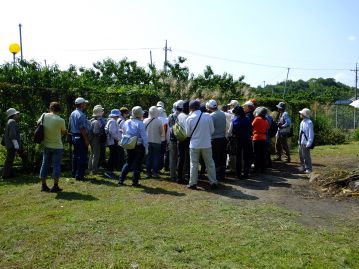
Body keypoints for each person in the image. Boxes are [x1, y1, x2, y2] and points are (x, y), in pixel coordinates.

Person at [186, 100, 218, 190]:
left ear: (191, 108)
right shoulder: (207, 116)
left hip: (194, 145)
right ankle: (213, 182)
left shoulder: (189, 118)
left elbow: (188, 134)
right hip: (206, 143)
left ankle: (192, 183)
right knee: (210, 163)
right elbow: (212, 130)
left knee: (194, 164)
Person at [38, 102, 67, 192]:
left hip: (46, 144)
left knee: (44, 164)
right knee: (56, 166)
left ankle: (43, 185)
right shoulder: (61, 120)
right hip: (57, 146)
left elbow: (38, 124)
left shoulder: (44, 116)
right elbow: (63, 132)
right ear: (59, 109)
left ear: (50, 108)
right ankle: (55, 186)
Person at [119, 106, 148, 186]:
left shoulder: (126, 122)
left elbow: (124, 133)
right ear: (139, 114)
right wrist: (146, 148)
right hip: (138, 145)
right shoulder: (140, 123)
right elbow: (144, 137)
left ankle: (121, 180)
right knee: (137, 164)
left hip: (129, 144)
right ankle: (135, 182)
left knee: (128, 162)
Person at [69, 97, 90, 181]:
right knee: (82, 156)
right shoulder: (80, 114)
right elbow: (82, 128)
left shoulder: (73, 113)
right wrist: (86, 139)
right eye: (84, 103)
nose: (85, 104)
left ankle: (74, 173)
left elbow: (70, 125)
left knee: (75, 156)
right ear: (81, 104)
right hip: (80, 137)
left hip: (74, 136)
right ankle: (79, 175)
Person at [206, 99, 227, 181]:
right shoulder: (222, 114)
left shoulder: (212, 116)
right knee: (223, 157)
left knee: (215, 157)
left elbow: (210, 129)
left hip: (215, 139)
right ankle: (223, 174)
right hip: (223, 138)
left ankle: (217, 175)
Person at [230, 106, 252, 179]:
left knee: (238, 157)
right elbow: (250, 129)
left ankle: (238, 174)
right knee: (246, 157)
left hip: (238, 140)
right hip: (247, 139)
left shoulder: (235, 120)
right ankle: (246, 173)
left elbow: (232, 131)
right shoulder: (248, 119)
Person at [144, 106, 163, 178]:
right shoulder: (158, 121)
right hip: (157, 141)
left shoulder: (145, 120)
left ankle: (148, 172)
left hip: (148, 141)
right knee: (156, 157)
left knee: (148, 157)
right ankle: (155, 172)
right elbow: (161, 132)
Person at [2, 108, 21, 179]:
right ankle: (5, 175)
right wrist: (16, 144)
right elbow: (12, 134)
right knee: (9, 160)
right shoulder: (12, 121)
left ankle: (9, 173)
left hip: (9, 144)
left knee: (10, 159)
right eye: (17, 114)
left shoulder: (9, 121)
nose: (18, 115)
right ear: (13, 115)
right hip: (12, 144)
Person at [167, 100, 183, 181]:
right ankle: (181, 174)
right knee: (181, 157)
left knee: (172, 157)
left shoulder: (171, 116)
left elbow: (169, 127)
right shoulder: (183, 116)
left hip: (172, 138)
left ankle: (172, 175)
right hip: (181, 139)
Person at [88, 105, 106, 175]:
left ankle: (90, 168)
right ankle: (94, 169)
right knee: (96, 155)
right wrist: (101, 134)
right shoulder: (96, 122)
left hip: (91, 139)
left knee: (92, 154)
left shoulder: (91, 120)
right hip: (95, 140)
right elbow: (96, 132)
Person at [104, 109, 122, 179]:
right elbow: (112, 132)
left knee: (113, 155)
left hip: (112, 141)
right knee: (112, 156)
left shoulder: (111, 121)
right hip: (112, 141)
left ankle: (110, 170)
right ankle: (109, 171)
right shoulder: (112, 121)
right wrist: (118, 139)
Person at [252, 107, 270, 173]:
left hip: (256, 137)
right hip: (263, 138)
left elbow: (251, 126)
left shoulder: (256, 119)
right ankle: (263, 168)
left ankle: (256, 168)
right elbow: (267, 127)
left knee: (256, 153)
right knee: (262, 153)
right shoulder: (266, 120)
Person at [177, 100, 190, 184]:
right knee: (188, 158)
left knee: (181, 158)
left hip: (179, 138)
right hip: (186, 139)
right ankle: (186, 176)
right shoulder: (186, 117)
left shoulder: (180, 115)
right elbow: (188, 131)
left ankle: (179, 177)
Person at [298, 108, 314, 174]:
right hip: (301, 141)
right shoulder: (302, 122)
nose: (300, 114)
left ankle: (309, 168)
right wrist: (299, 140)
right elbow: (300, 132)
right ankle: (303, 167)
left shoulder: (309, 122)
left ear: (304, 114)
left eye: (301, 113)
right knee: (301, 155)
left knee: (306, 156)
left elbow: (311, 133)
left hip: (306, 142)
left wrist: (309, 142)